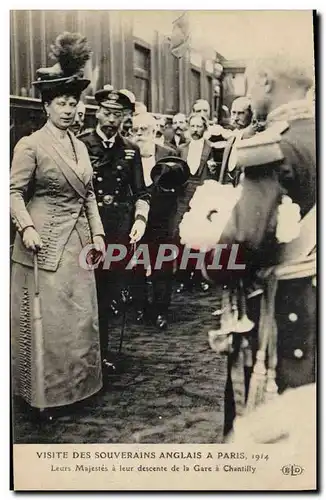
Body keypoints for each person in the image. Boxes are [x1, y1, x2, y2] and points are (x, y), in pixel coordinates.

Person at [180, 51, 316, 436]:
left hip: (279, 311)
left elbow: (241, 243)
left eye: (250, 83)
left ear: (267, 81)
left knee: (267, 429)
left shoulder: (272, 147)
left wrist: (208, 260)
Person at [10, 32, 106, 418]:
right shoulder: (29, 145)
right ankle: (43, 396)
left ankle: (80, 388)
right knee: (47, 324)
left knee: (80, 321)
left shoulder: (80, 145)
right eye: (60, 104)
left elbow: (89, 196)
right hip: (42, 244)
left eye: (72, 103)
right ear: (46, 106)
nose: (68, 110)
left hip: (78, 244)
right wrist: (26, 227)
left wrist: (97, 233)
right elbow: (13, 192)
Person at [79, 85, 150, 373]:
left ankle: (102, 353)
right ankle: (83, 356)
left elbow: (142, 193)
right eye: (107, 113)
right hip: (87, 232)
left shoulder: (130, 151)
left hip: (118, 233)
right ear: (98, 113)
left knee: (108, 294)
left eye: (117, 115)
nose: (111, 120)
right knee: (86, 295)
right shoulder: (81, 145)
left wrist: (139, 221)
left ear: (124, 118)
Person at [130, 112, 181, 330]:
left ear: (154, 131)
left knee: (162, 266)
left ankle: (161, 310)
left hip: (162, 219)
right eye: (135, 130)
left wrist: (175, 221)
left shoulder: (169, 155)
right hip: (135, 220)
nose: (140, 134)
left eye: (144, 130)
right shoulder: (128, 155)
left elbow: (180, 188)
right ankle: (140, 307)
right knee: (136, 265)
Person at [175, 113, 215, 294]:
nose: (196, 130)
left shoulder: (211, 148)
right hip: (184, 195)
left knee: (200, 237)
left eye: (199, 126)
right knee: (182, 236)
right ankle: (183, 277)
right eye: (193, 126)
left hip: (202, 196)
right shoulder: (181, 149)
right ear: (188, 128)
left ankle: (200, 277)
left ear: (204, 128)